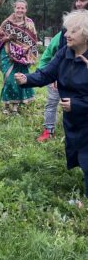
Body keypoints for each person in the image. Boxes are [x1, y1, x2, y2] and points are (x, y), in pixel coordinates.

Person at [15, 10, 88, 202]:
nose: (66, 35)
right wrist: (27, 79)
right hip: (74, 119)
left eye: (72, 31)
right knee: (80, 152)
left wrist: (79, 104)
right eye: (66, 30)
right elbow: (47, 74)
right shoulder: (66, 53)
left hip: (83, 114)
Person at [37, 0, 88, 142]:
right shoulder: (69, 24)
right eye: (77, 0)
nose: (79, 4)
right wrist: (55, 75)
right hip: (66, 70)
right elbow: (60, 49)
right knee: (53, 100)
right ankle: (49, 130)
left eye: (83, 0)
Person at [0, 0, 38, 114]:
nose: (20, 10)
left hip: (22, 56)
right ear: (14, 9)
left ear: (26, 10)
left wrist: (29, 55)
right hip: (7, 54)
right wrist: (7, 38)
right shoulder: (7, 23)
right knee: (9, 79)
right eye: (18, 8)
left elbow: (33, 41)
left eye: (22, 8)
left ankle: (14, 107)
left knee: (19, 79)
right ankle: (6, 105)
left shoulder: (29, 23)